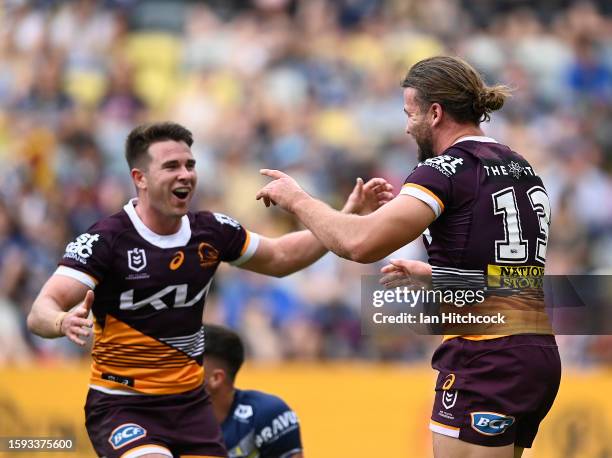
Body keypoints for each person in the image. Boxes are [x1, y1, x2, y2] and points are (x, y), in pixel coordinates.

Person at [26, 122, 392, 458]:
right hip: (124, 403)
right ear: (140, 177)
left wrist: (344, 218)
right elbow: (41, 308)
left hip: (189, 405)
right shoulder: (105, 240)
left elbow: (281, 257)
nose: (185, 174)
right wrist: (61, 321)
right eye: (171, 166)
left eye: (190, 164)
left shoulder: (212, 231)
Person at [255, 56, 560, 458]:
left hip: (488, 353)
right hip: (536, 351)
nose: (405, 126)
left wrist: (296, 199)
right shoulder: (520, 166)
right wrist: (437, 274)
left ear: (435, 113)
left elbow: (360, 245)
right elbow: (509, 277)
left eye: (409, 113)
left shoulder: (444, 169)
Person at [202, 324, 303, 458]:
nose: (176, 372)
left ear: (216, 378)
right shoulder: (170, 418)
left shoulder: (268, 414)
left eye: (189, 365)